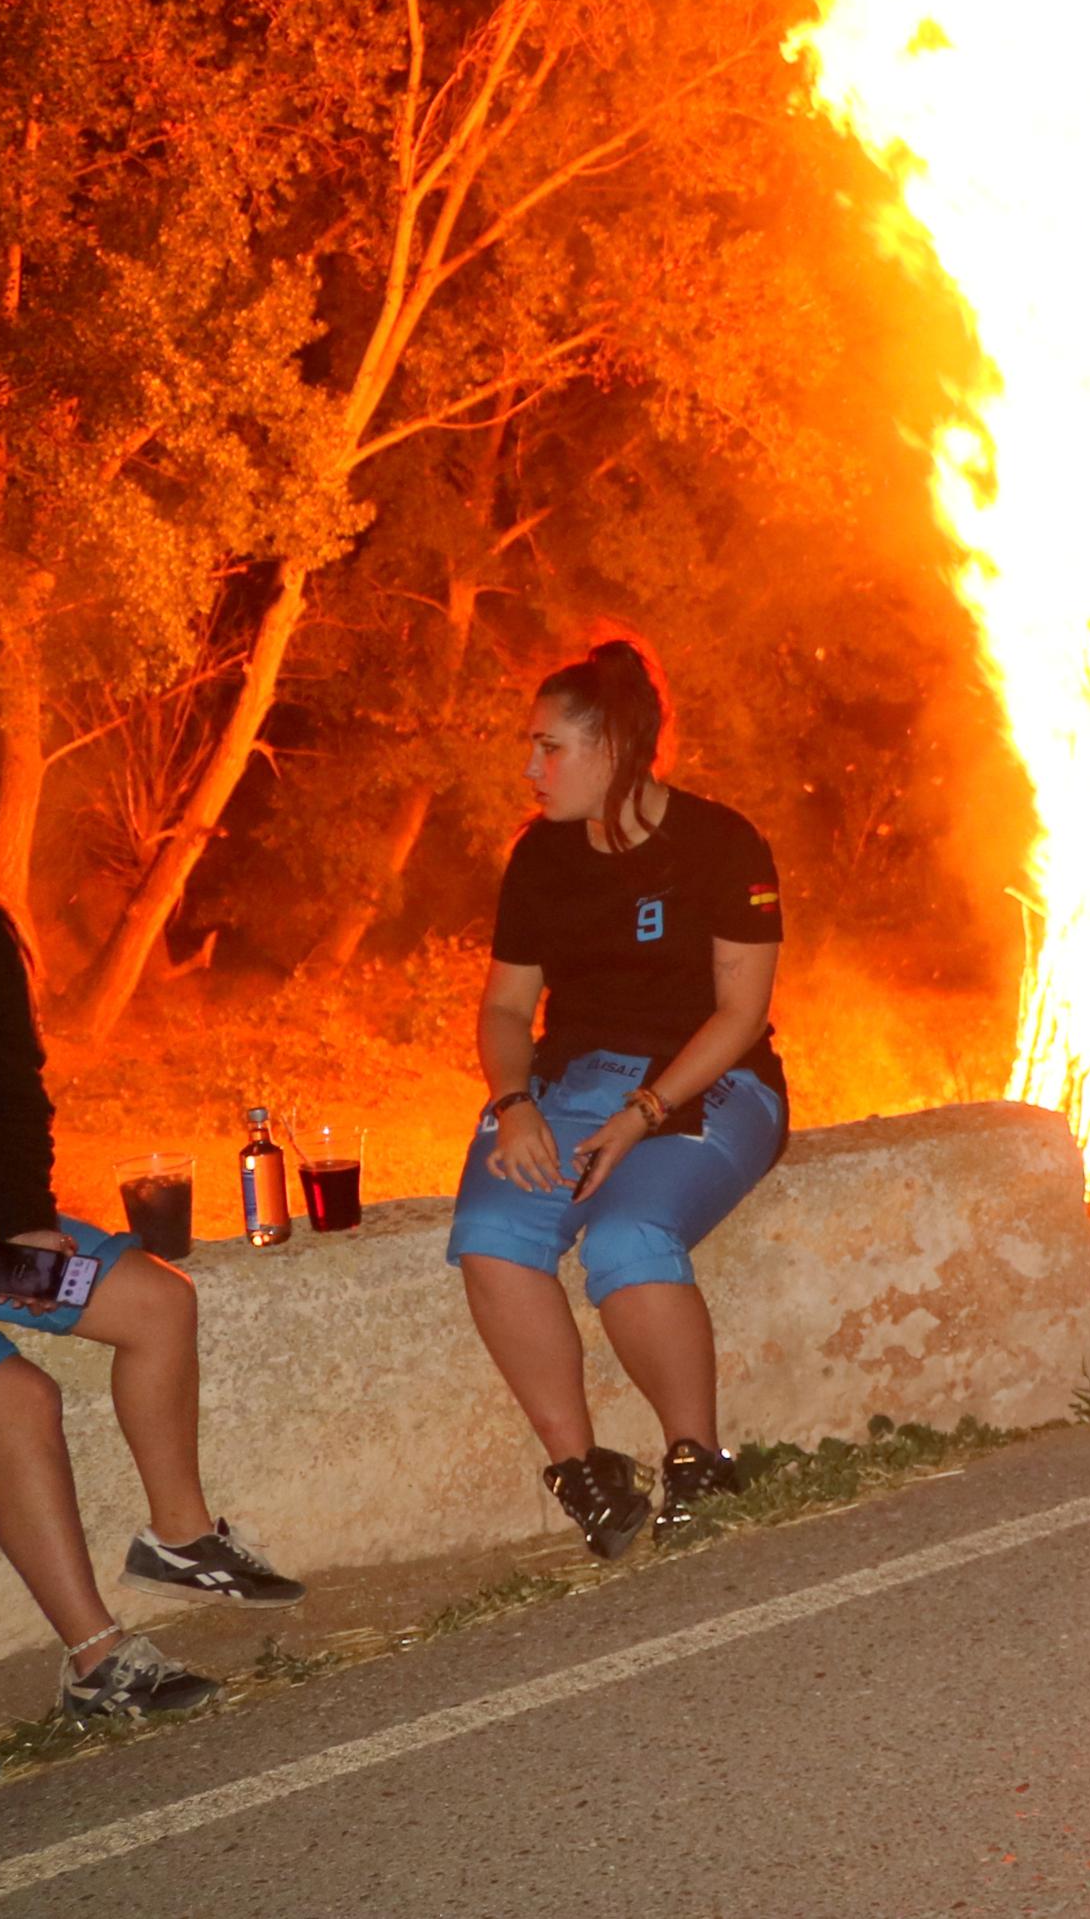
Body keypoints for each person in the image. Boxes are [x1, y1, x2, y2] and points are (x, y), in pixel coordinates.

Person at [0, 761, 303, 1721]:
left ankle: (179, 1537)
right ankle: (95, 1661)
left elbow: (9, 1088)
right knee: (20, 1401)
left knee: (157, 1301)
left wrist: (27, 1211)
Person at [455, 639, 793, 1555]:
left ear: (614, 746)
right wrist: (515, 1099)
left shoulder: (722, 843)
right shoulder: (540, 858)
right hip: (570, 1083)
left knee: (625, 1236)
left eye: (550, 746)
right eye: (531, 745)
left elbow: (739, 1012)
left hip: (709, 1080)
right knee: (491, 1238)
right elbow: (505, 1005)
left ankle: (698, 1457)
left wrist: (642, 1114)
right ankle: (585, 1471)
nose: (531, 767)